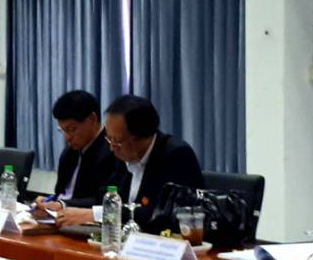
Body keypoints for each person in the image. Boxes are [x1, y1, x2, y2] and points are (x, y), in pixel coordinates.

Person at [45, 95, 204, 233]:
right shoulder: (123, 154)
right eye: (109, 139)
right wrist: (63, 206)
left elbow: (160, 213)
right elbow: (105, 197)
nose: (111, 147)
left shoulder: (175, 155)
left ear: (139, 138)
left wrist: (96, 215)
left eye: (116, 141)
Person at [48, 90, 117, 204]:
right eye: (63, 131)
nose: (67, 137)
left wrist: (63, 204)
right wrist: (50, 200)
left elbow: (104, 201)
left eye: (71, 129)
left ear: (92, 119)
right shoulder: (68, 153)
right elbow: (60, 192)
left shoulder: (113, 152)